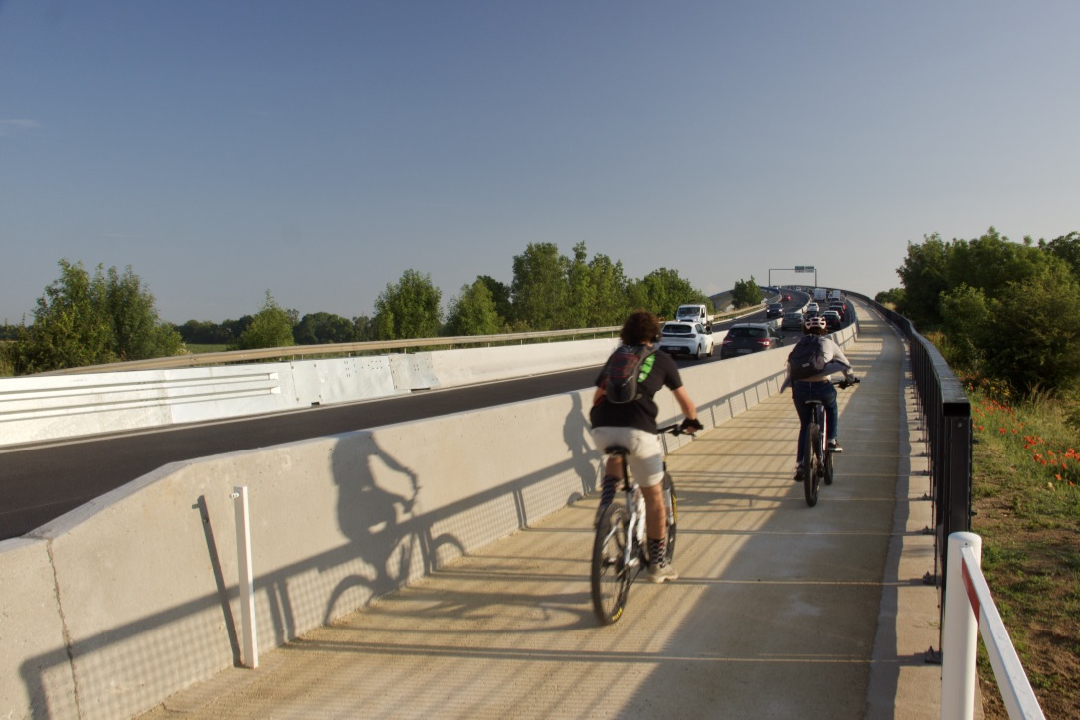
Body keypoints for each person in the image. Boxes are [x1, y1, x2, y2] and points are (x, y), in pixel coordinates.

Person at [590, 310, 702, 583]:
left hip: (602, 428)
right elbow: (687, 405)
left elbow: (597, 398)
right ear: (655, 334)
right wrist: (691, 422)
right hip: (639, 432)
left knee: (615, 455)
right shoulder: (661, 359)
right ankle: (658, 564)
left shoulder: (617, 358)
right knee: (654, 497)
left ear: (626, 334)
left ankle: (605, 506)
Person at [785, 315, 857, 480]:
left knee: (805, 426)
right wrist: (850, 379)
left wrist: (793, 384)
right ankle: (831, 440)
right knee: (831, 406)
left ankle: (801, 464)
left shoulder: (799, 345)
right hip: (822, 387)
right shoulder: (829, 343)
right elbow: (846, 365)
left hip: (801, 389)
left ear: (805, 329)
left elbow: (790, 368)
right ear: (824, 330)